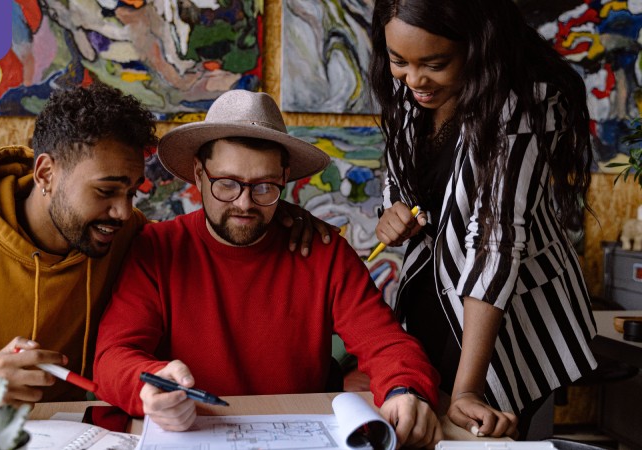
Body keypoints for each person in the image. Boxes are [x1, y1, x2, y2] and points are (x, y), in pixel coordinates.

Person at [0, 83, 328, 421]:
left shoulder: (126, 237)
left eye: (132, 192)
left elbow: (212, 234)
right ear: (47, 174)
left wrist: (276, 214)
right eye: (106, 191)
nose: (122, 212)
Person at [94, 90, 443, 448]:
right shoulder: (156, 249)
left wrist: (405, 389)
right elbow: (112, 357)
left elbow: (386, 343)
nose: (244, 204)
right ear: (199, 173)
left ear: (285, 177)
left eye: (264, 187)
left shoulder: (323, 253)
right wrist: (150, 385)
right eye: (226, 184)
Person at [369, 0, 597, 439]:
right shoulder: (412, 84)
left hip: (504, 317)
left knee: (481, 434)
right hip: (431, 294)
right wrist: (393, 208)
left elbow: (496, 241)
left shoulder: (527, 101)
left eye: (434, 64)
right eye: (399, 61)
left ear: (479, 44)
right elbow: (402, 168)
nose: (414, 79)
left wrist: (468, 389)